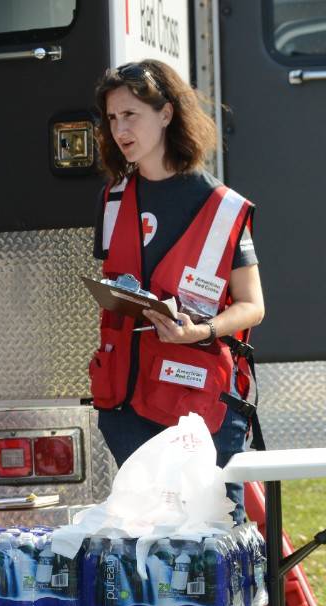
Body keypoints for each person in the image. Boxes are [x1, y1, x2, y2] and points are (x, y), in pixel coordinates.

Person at [89, 60, 263, 519]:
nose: (120, 129)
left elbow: (252, 306)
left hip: (197, 408)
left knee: (214, 541)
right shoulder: (112, 199)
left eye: (131, 115)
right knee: (151, 547)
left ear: (166, 114)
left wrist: (201, 331)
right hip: (125, 407)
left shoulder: (222, 207)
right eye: (112, 118)